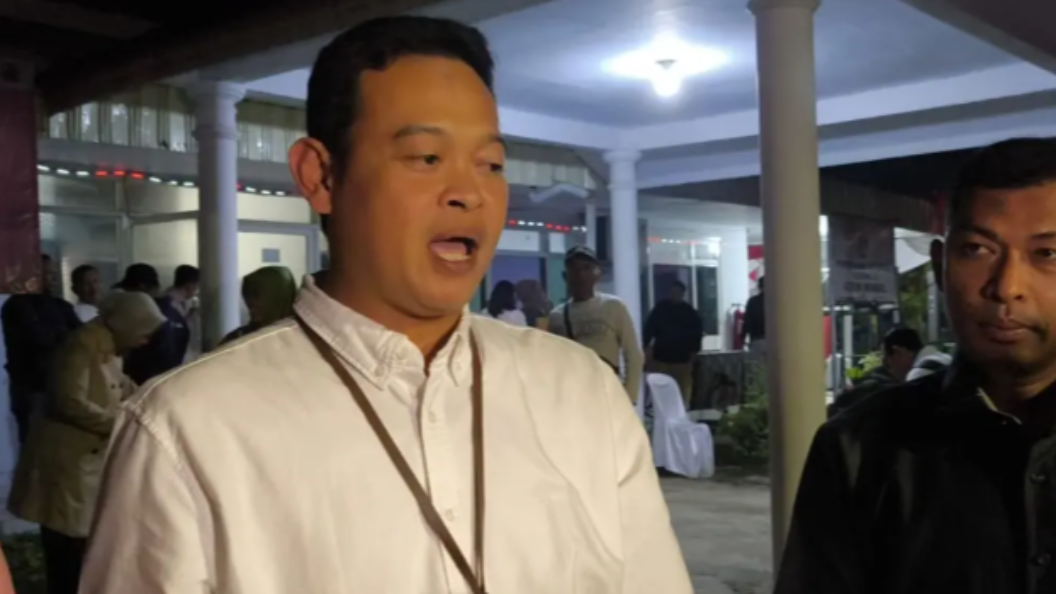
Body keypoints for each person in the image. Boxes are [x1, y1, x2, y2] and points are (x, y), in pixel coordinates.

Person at [82, 16, 691, 594]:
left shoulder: (580, 392)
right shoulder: (189, 429)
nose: (469, 192)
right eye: (427, 158)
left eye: (491, 164)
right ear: (320, 176)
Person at [776, 138, 1056, 594]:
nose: (1007, 287)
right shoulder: (858, 449)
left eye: (1048, 254)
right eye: (978, 250)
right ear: (940, 266)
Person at [8, 291, 165, 594]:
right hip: (65, 463)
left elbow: (121, 384)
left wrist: (149, 401)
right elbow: (68, 401)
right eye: (143, 334)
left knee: (81, 540)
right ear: (126, 324)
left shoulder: (108, 344)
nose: (145, 342)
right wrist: (119, 424)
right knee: (67, 545)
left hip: (84, 462)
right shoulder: (81, 346)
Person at [1, 254, 81, 444]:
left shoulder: (60, 306)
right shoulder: (17, 305)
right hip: (32, 386)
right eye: (45, 273)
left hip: (59, 384)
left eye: (52, 273)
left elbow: (80, 337)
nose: (51, 278)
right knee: (35, 443)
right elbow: (40, 338)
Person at [549, 245, 645, 402]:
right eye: (574, 269)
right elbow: (553, 363)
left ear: (597, 274)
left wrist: (628, 398)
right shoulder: (556, 316)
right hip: (572, 397)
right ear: (565, 275)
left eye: (586, 268)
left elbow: (633, 355)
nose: (580, 274)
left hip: (607, 395)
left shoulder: (613, 306)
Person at [118, 264, 191, 384]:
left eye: (129, 291)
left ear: (141, 288)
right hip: (170, 381)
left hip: (143, 382)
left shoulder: (143, 316)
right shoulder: (175, 314)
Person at [827, 327, 923, 418]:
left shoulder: (878, 386)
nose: (916, 363)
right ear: (897, 352)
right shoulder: (877, 389)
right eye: (913, 357)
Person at [644, 280, 704, 407]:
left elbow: (696, 335)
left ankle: (681, 410)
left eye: (677, 292)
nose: (674, 294)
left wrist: (694, 352)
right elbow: (649, 328)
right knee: (662, 388)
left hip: (682, 359)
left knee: (681, 389)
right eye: (672, 292)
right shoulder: (661, 309)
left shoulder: (689, 312)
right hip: (662, 357)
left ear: (682, 294)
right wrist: (645, 346)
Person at [220, 266, 298, 345]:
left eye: (255, 294)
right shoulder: (236, 339)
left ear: (277, 297)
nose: (249, 302)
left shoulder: (299, 339)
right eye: (247, 294)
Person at [742, 275, 766, 352]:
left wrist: (742, 339)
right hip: (774, 340)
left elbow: (747, 322)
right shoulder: (776, 301)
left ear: (759, 287)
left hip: (756, 340)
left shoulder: (752, 301)